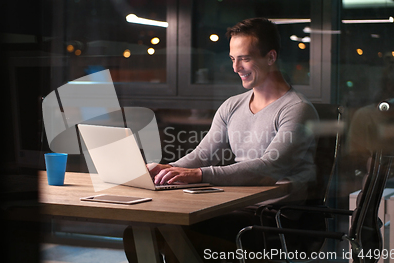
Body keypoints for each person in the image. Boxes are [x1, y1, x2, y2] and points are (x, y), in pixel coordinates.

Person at [124, 17, 319, 262]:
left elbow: (270, 168)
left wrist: (199, 174)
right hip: (233, 205)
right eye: (232, 59)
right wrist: (167, 169)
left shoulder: (296, 109)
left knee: (175, 232)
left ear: (270, 57)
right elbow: (203, 154)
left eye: (245, 58)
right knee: (140, 232)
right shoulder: (232, 106)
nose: (236, 68)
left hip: (271, 217)